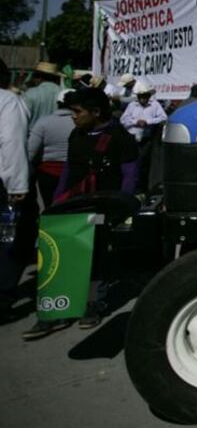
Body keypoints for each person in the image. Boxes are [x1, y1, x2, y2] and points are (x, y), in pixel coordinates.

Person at [23, 88, 139, 340]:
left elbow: (129, 176)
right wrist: (57, 201)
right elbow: (69, 170)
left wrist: (122, 208)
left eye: (77, 111)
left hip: (102, 207)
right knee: (59, 255)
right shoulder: (77, 134)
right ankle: (52, 313)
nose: (73, 117)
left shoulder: (121, 138)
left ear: (96, 112)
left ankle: (91, 305)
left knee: (95, 257)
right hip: (72, 204)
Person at [0, 59, 30, 322]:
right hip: (3, 183)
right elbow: (11, 142)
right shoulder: (9, 102)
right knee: (10, 240)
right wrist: (18, 185)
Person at [27, 88, 77, 210]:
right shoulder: (82, 123)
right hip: (74, 172)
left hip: (48, 174)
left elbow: (30, 151)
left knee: (50, 207)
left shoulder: (44, 122)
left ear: (57, 104)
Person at [21, 61, 63, 129]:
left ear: (39, 78)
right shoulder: (63, 93)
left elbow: (22, 118)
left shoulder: (31, 93)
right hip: (56, 136)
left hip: (33, 136)